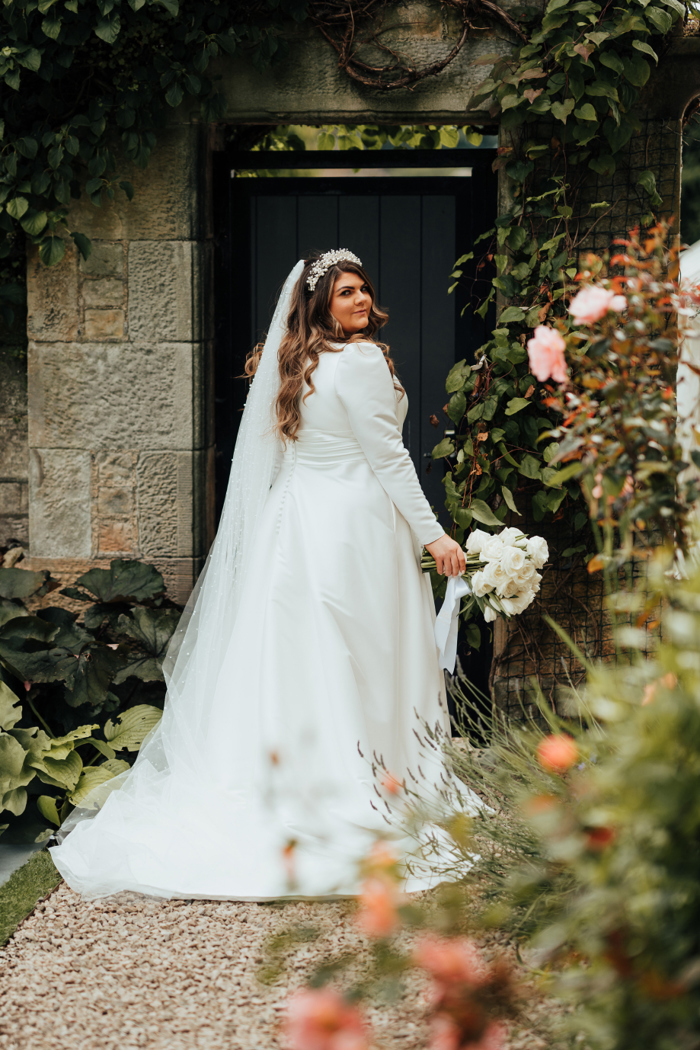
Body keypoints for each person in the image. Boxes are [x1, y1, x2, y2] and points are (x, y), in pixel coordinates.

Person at [50, 250, 473, 902]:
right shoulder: (360, 361)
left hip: (295, 523)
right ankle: (364, 787)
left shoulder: (294, 363)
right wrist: (434, 533)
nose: (361, 300)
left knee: (299, 656)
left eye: (364, 289)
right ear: (320, 305)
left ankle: (301, 782)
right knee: (359, 655)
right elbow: (387, 459)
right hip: (354, 528)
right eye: (346, 293)